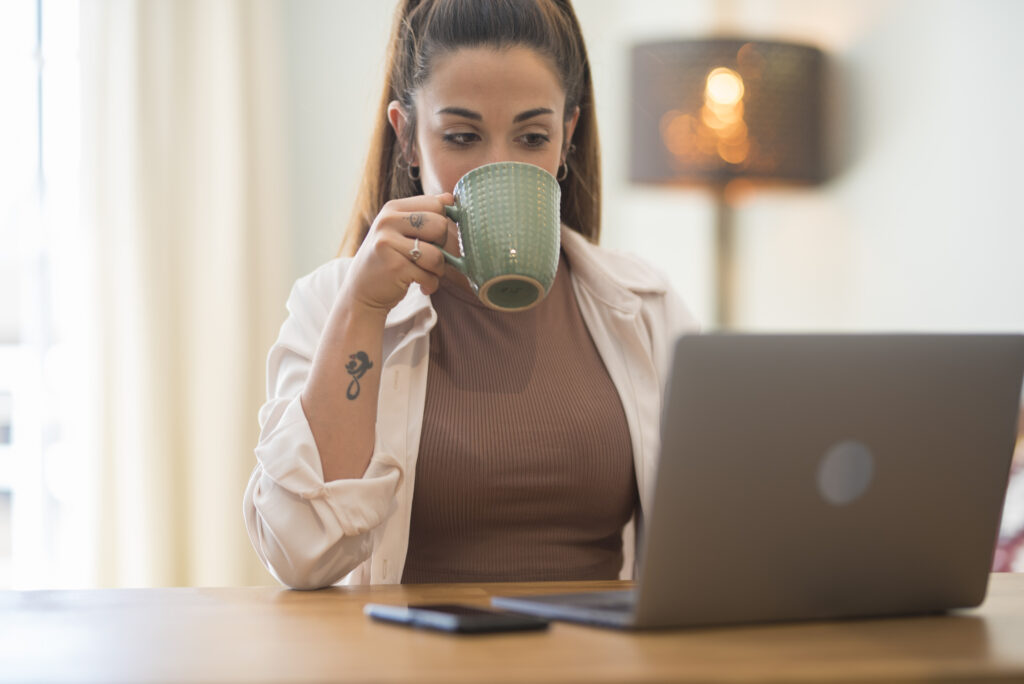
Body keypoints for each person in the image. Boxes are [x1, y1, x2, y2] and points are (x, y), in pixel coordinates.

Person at [243, 0, 699, 590]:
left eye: (532, 136)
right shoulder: (332, 303)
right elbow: (299, 554)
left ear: (567, 139)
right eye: (462, 136)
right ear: (407, 139)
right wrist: (363, 308)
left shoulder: (646, 306)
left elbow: (720, 532)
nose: (500, 164)